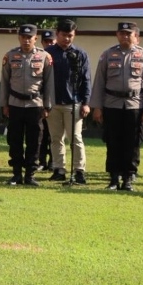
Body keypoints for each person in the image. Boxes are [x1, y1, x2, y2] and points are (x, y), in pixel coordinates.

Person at [90, 22, 143, 191]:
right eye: (122, 33)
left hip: (135, 105)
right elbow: (99, 82)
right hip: (112, 104)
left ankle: (128, 178)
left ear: (135, 36)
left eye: (128, 34)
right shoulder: (108, 54)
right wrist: (97, 107)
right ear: (117, 35)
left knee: (133, 143)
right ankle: (114, 178)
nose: (125, 36)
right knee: (113, 141)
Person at [0, 24, 54, 186]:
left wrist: (47, 105)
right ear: (19, 38)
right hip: (15, 104)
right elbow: (5, 82)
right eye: (23, 37)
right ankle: (16, 174)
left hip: (35, 105)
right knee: (14, 140)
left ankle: (30, 175)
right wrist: (4, 104)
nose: (26, 40)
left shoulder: (44, 57)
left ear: (35, 38)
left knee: (34, 141)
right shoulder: (10, 56)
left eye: (30, 37)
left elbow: (49, 83)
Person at [44, 20, 91, 185]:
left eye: (70, 35)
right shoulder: (47, 53)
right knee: (56, 138)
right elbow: (42, 80)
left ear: (74, 35)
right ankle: (59, 169)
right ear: (57, 34)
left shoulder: (80, 54)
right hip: (53, 103)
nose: (67, 39)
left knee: (76, 138)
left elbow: (86, 80)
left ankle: (79, 170)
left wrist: (86, 103)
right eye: (64, 35)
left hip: (74, 103)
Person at [38, 29, 56, 171]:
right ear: (42, 42)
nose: (49, 44)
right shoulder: (39, 57)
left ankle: (53, 161)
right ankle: (41, 161)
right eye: (46, 41)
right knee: (41, 133)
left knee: (54, 134)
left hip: (56, 101)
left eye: (51, 41)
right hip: (40, 101)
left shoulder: (59, 57)